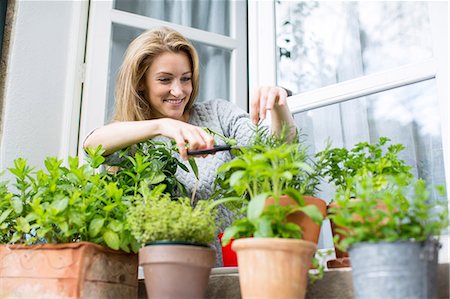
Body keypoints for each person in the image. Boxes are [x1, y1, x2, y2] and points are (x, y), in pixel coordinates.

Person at [83, 26, 296, 265]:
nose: (179, 90)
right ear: (140, 82)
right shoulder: (131, 140)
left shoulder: (216, 114)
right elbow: (93, 144)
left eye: (186, 79)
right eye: (165, 79)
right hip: (169, 275)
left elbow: (273, 149)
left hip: (235, 272)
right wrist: (161, 126)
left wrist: (278, 104)